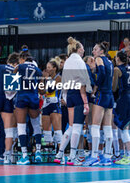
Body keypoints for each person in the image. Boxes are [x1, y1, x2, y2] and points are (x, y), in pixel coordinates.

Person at [54, 37, 91, 166]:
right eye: (83, 48)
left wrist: (64, 96)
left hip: (69, 94)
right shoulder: (80, 62)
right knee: (77, 126)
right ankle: (72, 156)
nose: (84, 50)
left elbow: (64, 82)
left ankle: (60, 153)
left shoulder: (68, 61)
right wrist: (86, 101)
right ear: (78, 49)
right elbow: (83, 82)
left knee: (70, 126)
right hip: (78, 94)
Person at [84, 42, 114, 166]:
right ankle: (107, 156)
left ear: (101, 51)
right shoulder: (110, 61)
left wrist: (95, 83)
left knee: (95, 126)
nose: (93, 52)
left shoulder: (99, 59)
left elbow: (101, 74)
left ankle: (94, 156)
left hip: (101, 95)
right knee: (107, 127)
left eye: (95, 49)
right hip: (110, 95)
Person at [14, 50, 43, 165]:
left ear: (22, 59)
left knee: (21, 126)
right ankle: (38, 152)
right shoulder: (38, 70)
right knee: (36, 124)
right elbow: (41, 88)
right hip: (33, 98)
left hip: (22, 97)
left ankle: (25, 155)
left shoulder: (19, 67)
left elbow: (11, 81)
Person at [113, 51, 130, 165]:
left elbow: (114, 87)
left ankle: (129, 156)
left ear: (118, 59)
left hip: (125, 99)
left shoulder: (117, 69)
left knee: (124, 129)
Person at [40, 58, 62, 148]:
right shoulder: (46, 79)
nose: (47, 69)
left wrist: (44, 82)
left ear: (54, 68)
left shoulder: (58, 78)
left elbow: (50, 89)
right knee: (46, 132)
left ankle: (61, 151)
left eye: (49, 67)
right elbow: (41, 92)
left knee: (57, 131)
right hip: (46, 104)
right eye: (46, 68)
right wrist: (41, 80)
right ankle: (49, 151)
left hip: (55, 104)